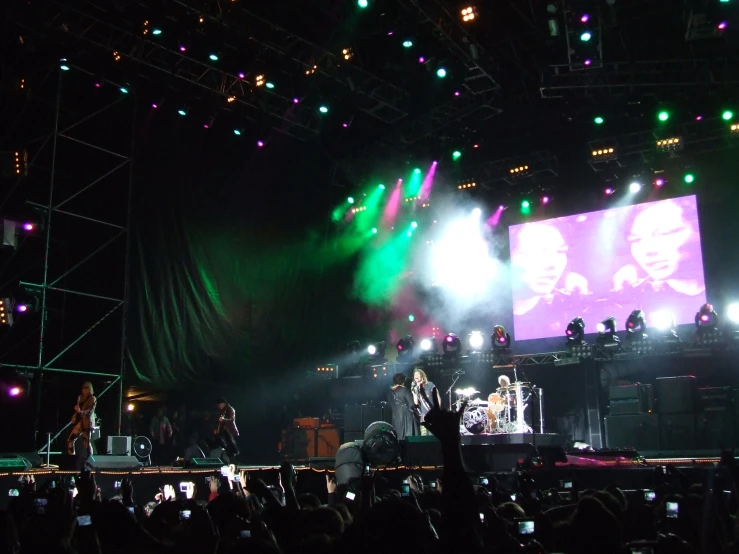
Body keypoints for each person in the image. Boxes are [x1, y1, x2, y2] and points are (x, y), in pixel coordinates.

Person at [68, 382, 96, 466]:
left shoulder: (92, 398)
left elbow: (90, 411)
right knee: (70, 439)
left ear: (89, 389)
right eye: (83, 388)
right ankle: (72, 460)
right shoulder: (80, 398)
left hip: (87, 422)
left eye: (86, 388)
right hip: (80, 422)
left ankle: (90, 461)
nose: (84, 389)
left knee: (86, 442)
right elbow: (78, 409)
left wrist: (81, 411)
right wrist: (76, 413)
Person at [387, 373, 420, 439]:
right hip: (406, 417)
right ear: (403, 381)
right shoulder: (405, 390)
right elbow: (411, 404)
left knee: (398, 437)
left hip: (396, 418)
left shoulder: (390, 392)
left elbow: (389, 405)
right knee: (408, 437)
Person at [412, 368, 441, 436]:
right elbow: (416, 402)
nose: (415, 376)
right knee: (424, 435)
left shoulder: (430, 384)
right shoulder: (416, 388)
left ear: (422, 376)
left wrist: (438, 409)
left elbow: (438, 397)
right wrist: (414, 393)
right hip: (424, 414)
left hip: (432, 413)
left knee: (433, 434)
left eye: (417, 374)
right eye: (414, 375)